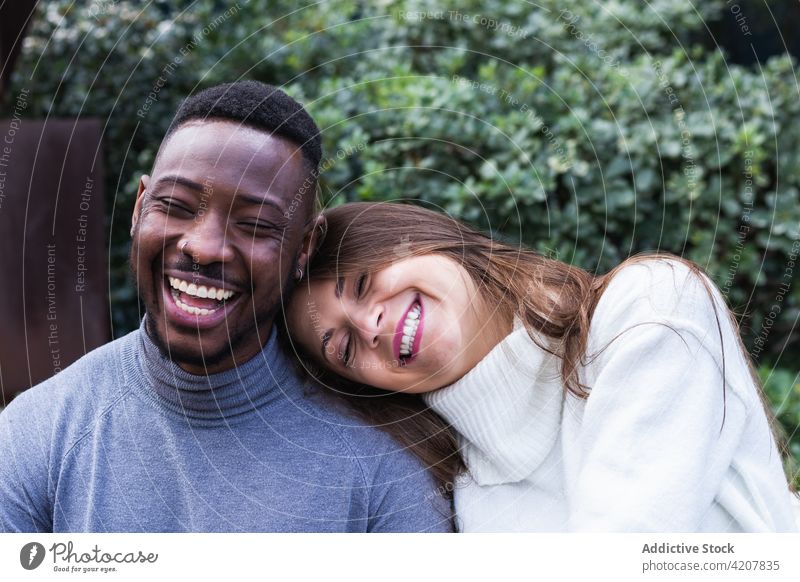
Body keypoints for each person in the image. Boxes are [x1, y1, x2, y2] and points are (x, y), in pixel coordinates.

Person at [0, 82, 451, 532]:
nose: (204, 246)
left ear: (304, 248)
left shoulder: (381, 472)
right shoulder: (36, 434)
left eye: (255, 225)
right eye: (174, 205)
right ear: (140, 207)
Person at [284, 201, 799, 532]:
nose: (369, 325)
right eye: (345, 349)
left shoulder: (649, 308)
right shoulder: (460, 500)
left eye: (360, 282)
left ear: (421, 238)